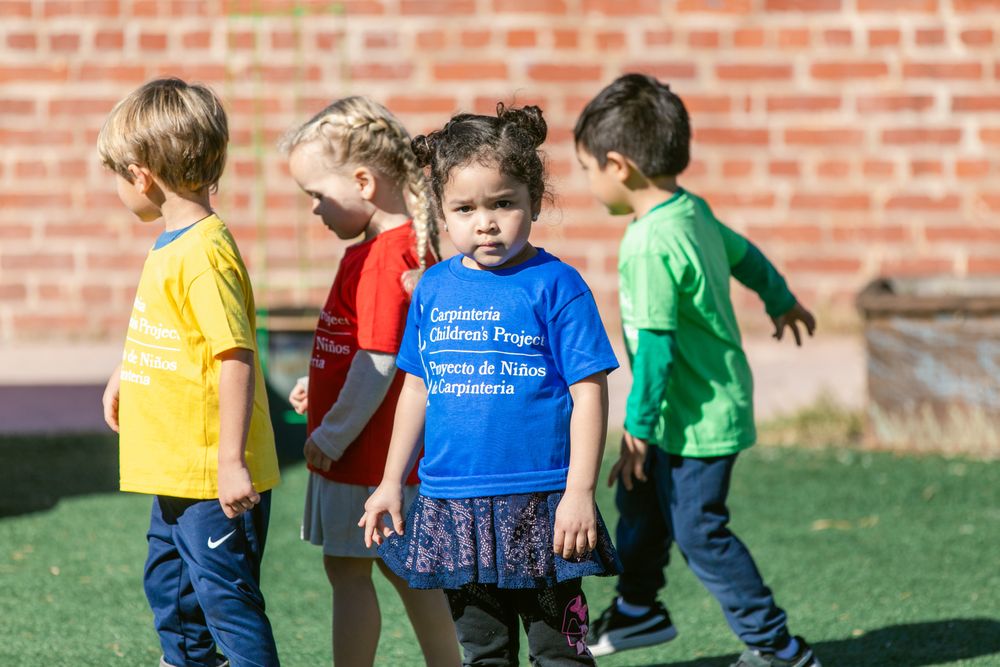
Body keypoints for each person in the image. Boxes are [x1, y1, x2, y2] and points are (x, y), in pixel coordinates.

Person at [359, 103, 622, 667]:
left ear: (533, 199)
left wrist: (579, 493)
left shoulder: (558, 285)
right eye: (465, 207)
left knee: (562, 654)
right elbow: (416, 389)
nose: (485, 221)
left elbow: (589, 395)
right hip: (454, 505)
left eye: (503, 203)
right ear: (441, 210)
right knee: (484, 654)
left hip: (544, 503)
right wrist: (388, 482)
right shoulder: (432, 288)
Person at [573, 73, 821, 667]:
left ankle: (778, 648)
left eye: (585, 169)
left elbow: (655, 348)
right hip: (691, 410)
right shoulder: (692, 212)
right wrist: (780, 297)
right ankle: (639, 611)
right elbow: (749, 257)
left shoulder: (649, 244)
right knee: (641, 505)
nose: (585, 182)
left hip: (696, 423)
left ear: (618, 166)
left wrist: (637, 428)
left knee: (700, 533)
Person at [98, 78, 280, 667]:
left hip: (211, 482)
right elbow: (175, 333)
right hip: (173, 472)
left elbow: (234, 356)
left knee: (227, 605)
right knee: (171, 595)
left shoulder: (204, 253)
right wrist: (125, 372)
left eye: (116, 176)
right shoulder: (171, 244)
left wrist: (230, 464)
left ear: (140, 173)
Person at [280, 96, 460, 667]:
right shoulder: (390, 247)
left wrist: (331, 435)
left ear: (362, 181)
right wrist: (320, 387)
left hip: (363, 457)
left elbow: (380, 362)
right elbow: (362, 349)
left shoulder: (386, 255)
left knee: (351, 570)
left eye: (317, 195)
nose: (315, 210)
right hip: (379, 452)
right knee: (406, 571)